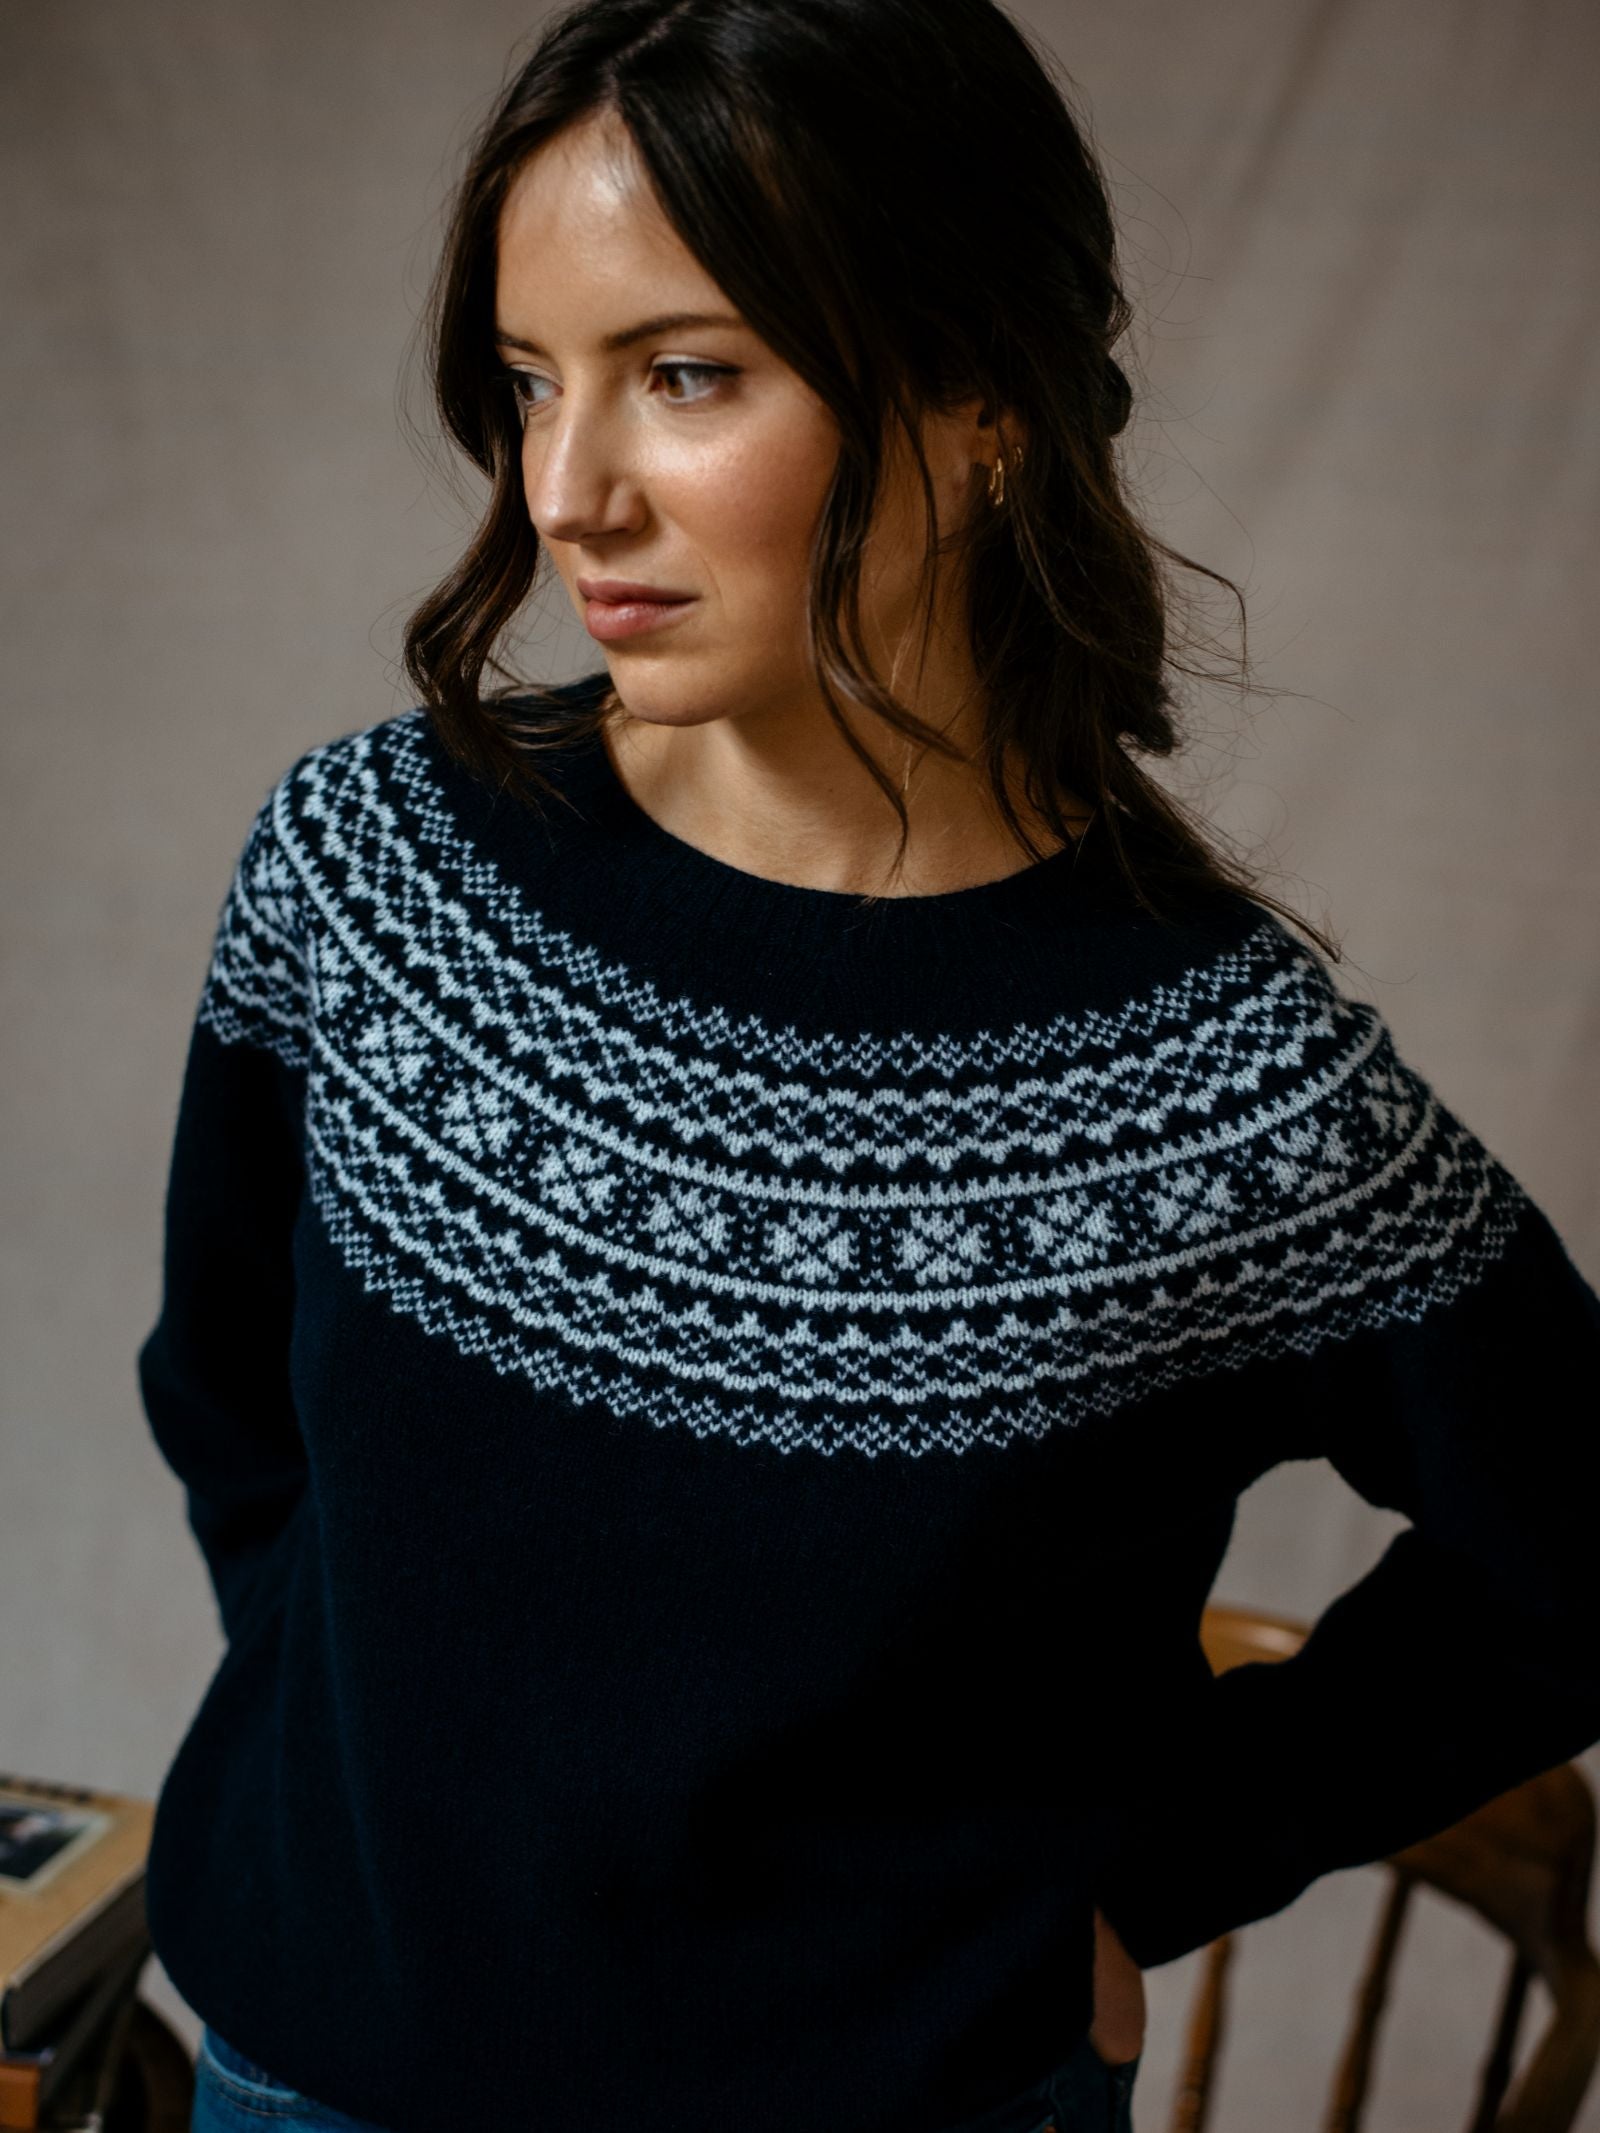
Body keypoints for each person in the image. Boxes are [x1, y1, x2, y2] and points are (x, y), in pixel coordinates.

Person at [139, 3, 1600, 2131]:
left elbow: (1565, 1534)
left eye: (686, 373)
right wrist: (364, 1798)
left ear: (977, 392)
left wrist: (1163, 1866)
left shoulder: (1219, 1083)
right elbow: (234, 1400)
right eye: (532, 382)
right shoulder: (366, 867)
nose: (566, 491)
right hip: (313, 2083)